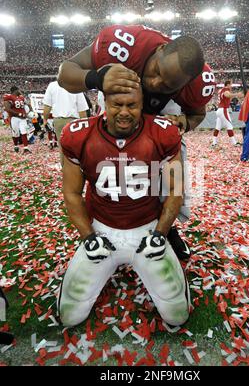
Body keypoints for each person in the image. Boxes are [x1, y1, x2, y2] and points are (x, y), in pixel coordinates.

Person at [58, 85, 190, 328]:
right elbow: (71, 193)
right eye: (116, 105)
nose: (124, 112)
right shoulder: (79, 135)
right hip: (102, 230)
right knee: (70, 314)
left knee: (177, 315)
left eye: (132, 105)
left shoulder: (162, 132)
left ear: (142, 105)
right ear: (103, 104)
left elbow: (175, 190)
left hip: (147, 230)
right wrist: (89, 237)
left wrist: (160, 234)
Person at [58, 24, 216, 131]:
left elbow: (198, 114)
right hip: (115, 113)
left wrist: (185, 123)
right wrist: (98, 78)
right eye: (157, 70)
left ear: (186, 84)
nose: (154, 83)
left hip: (160, 114)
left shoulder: (197, 84)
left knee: (174, 150)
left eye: (167, 85)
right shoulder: (124, 45)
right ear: (160, 48)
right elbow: (64, 74)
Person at [43, 80, 89, 164]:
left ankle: (65, 170)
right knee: (75, 147)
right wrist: (85, 125)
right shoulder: (76, 85)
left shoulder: (52, 85)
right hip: (74, 121)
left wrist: (45, 120)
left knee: (62, 148)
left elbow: (47, 106)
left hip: (59, 121)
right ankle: (76, 170)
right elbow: (82, 109)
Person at [212, 80, 243, 147]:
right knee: (229, 126)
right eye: (231, 85)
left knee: (218, 127)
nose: (231, 86)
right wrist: (237, 94)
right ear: (228, 84)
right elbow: (227, 95)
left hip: (220, 109)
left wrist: (234, 96)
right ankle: (234, 143)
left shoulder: (221, 90)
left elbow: (226, 97)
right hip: (223, 109)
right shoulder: (225, 90)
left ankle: (214, 142)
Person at [3, 86, 31, 154]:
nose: (20, 91)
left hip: (23, 118)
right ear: (15, 90)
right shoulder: (9, 97)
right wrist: (19, 114)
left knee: (24, 132)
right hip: (14, 118)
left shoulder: (21, 97)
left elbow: (27, 105)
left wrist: (27, 112)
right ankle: (16, 146)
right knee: (16, 133)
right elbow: (7, 108)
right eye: (18, 90)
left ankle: (26, 148)